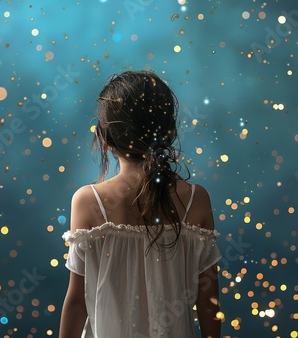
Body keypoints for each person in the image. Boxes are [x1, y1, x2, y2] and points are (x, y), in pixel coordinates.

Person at [60, 71, 222, 338]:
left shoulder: (89, 202)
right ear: (168, 131)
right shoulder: (196, 200)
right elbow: (209, 302)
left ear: (106, 139)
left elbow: (77, 302)